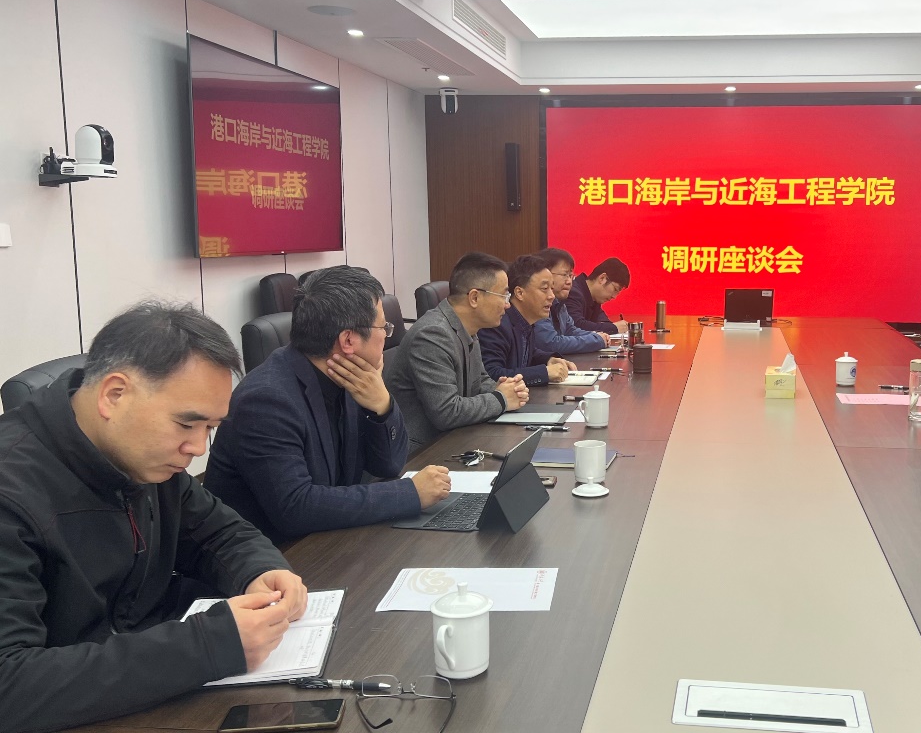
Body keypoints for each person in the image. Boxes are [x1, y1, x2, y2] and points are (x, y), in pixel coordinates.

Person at [0, 302, 307, 733]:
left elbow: (218, 531)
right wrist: (207, 645)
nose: (198, 448)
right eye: (186, 425)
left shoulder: (146, 459)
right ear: (114, 394)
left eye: (210, 428)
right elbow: (9, 685)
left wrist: (260, 569)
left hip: (147, 689)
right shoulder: (11, 491)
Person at [204, 266, 450, 545]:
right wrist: (409, 494)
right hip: (280, 555)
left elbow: (390, 466)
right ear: (348, 340)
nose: (386, 335)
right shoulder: (266, 400)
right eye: (384, 327)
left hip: (332, 538)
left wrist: (382, 407)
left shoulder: (351, 377)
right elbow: (297, 507)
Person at [386, 252, 531, 451]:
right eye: (504, 295)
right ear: (474, 297)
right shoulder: (432, 335)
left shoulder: (467, 328)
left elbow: (479, 381)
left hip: (454, 438)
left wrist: (504, 388)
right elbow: (447, 412)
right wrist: (501, 398)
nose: (508, 304)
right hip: (422, 452)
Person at [480, 255, 578, 385]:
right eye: (544, 289)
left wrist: (548, 359)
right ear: (520, 293)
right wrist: (544, 373)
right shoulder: (498, 323)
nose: (551, 296)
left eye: (552, 289)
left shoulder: (525, 320)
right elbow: (492, 374)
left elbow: (527, 354)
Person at [532, 247, 610, 354]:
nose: (569, 281)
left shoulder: (560, 303)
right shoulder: (538, 303)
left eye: (571, 276)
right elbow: (551, 344)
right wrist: (596, 340)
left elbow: (570, 330)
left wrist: (596, 335)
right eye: (564, 275)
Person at [567, 257, 631, 335]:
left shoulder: (594, 298)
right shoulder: (573, 292)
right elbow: (576, 325)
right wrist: (614, 328)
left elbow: (604, 321)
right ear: (602, 278)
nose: (614, 297)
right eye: (615, 289)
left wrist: (616, 327)